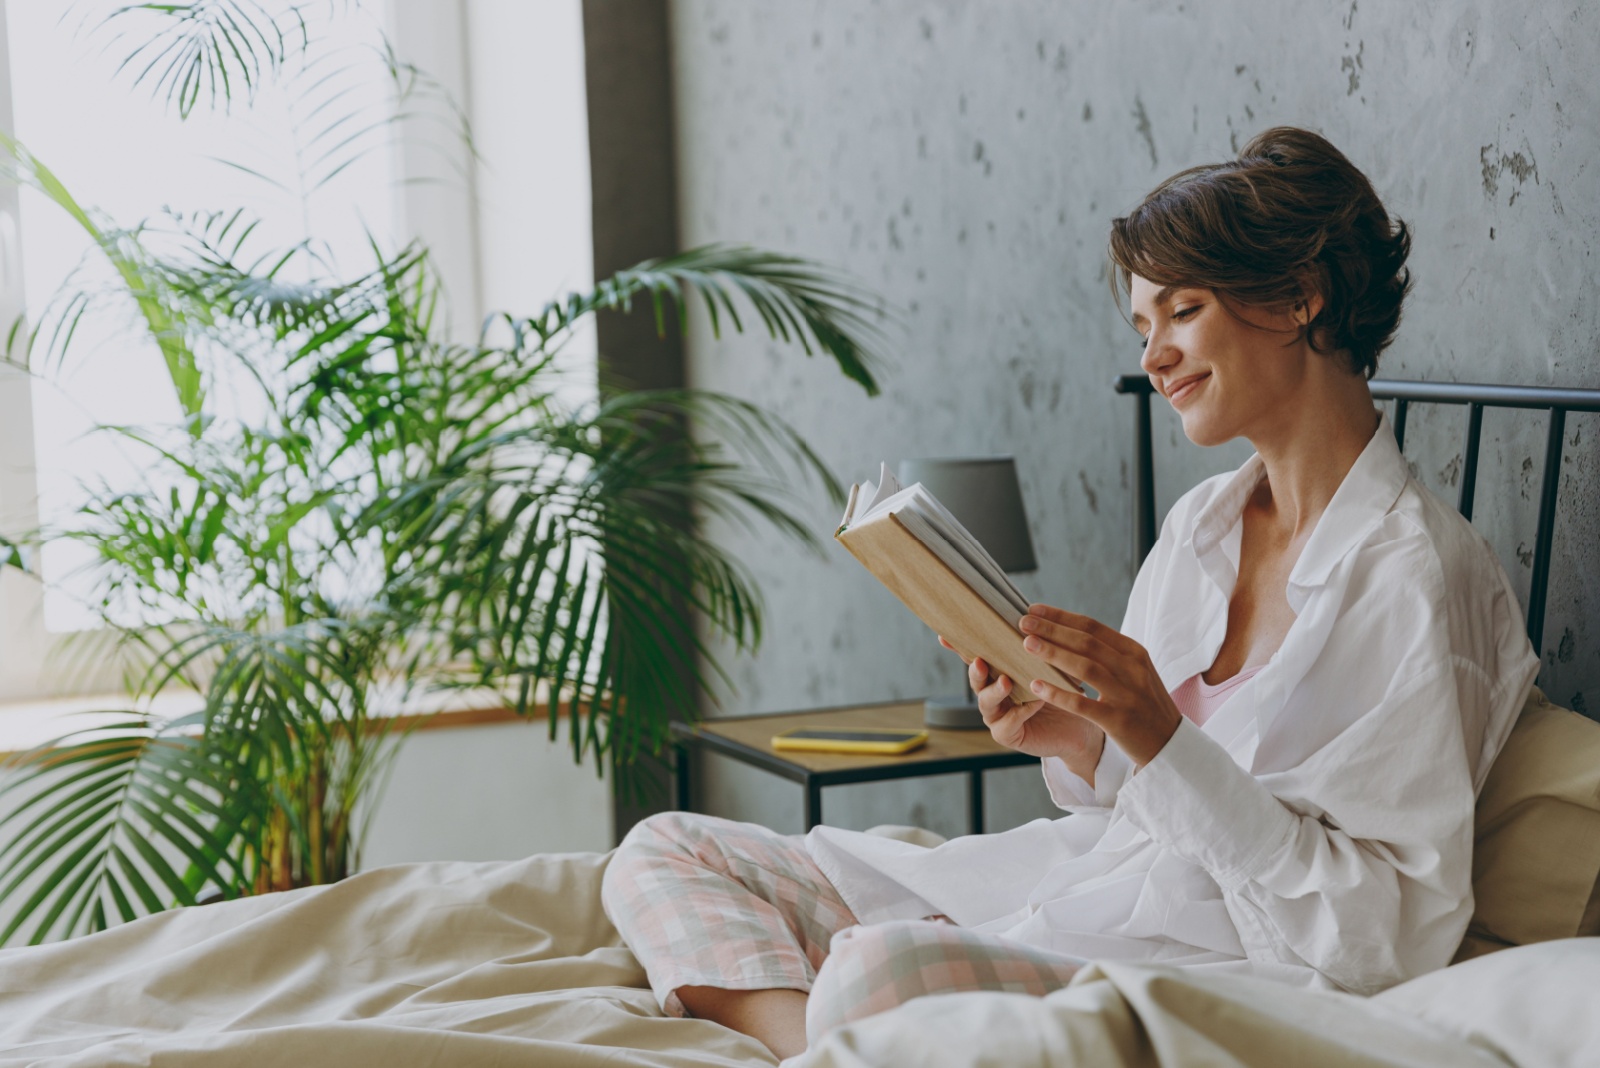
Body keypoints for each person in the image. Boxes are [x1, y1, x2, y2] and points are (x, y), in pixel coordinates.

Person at [601, 126, 1540, 1061]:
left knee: (869, 972)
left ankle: (836, 1032)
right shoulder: (1201, 526)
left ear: (1299, 296)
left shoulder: (1418, 576)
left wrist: (1159, 738)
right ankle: (813, 1050)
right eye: (1144, 327)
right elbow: (1139, 801)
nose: (1156, 358)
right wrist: (1083, 742)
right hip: (1081, 891)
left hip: (1211, 964)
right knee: (665, 848)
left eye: (1183, 310)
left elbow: (1388, 937)